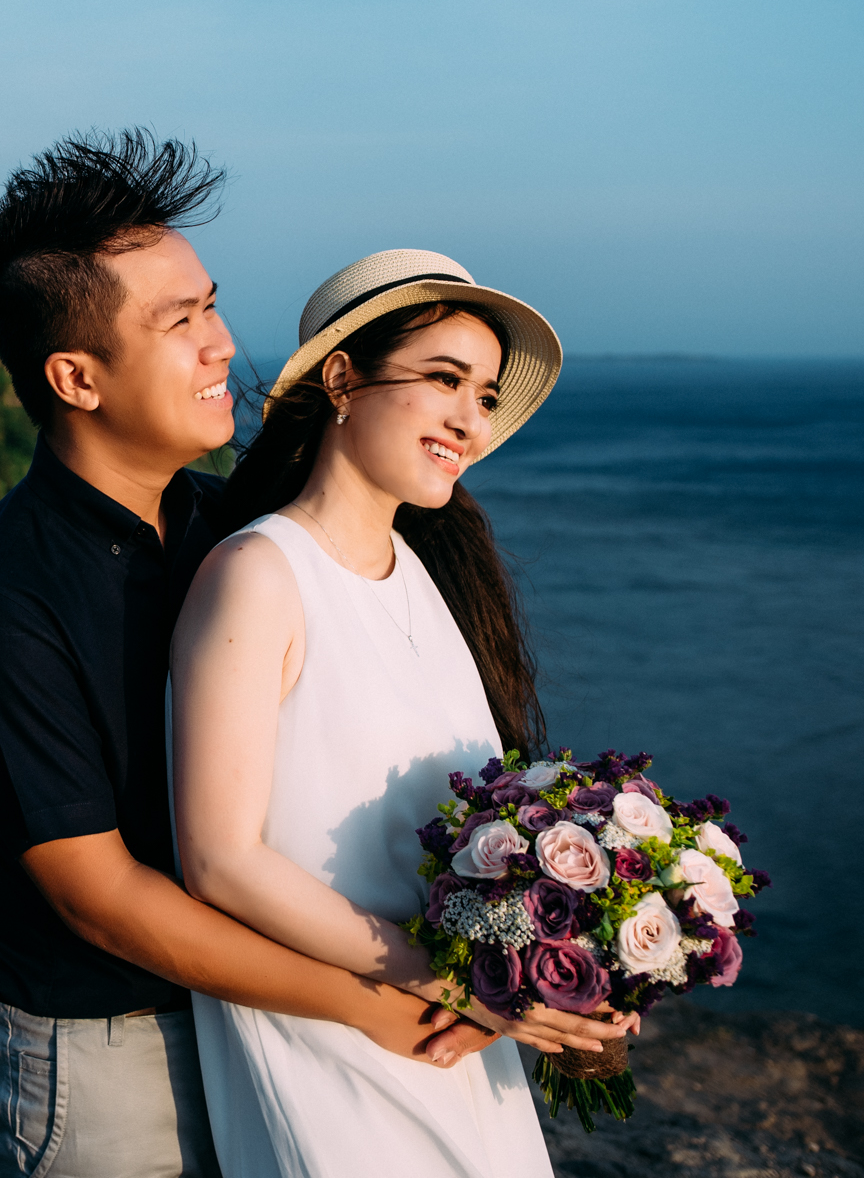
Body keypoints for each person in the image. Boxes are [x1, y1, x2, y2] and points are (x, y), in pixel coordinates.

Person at [0, 139, 566, 1178]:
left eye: (210, 304)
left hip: (268, 1012)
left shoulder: (225, 523)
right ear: (75, 376)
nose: (221, 342)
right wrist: (384, 997)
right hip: (107, 1034)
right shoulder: (4, 597)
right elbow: (100, 893)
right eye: (177, 323)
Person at [169, 250, 635, 1177]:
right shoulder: (259, 573)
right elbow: (219, 861)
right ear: (343, 377)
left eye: (487, 394)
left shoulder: (423, 575)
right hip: (337, 1045)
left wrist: (564, 961)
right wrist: (457, 976)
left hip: (457, 1040)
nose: (471, 417)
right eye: (444, 379)